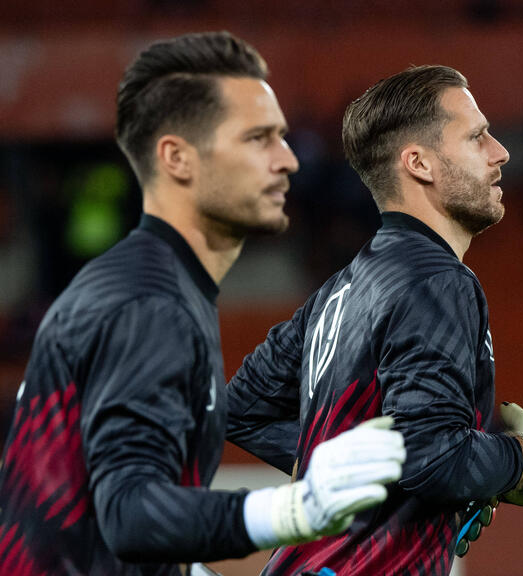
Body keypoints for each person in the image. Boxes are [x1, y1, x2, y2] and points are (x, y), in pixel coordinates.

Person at [0, 32, 406, 576]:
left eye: (282, 137)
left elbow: (89, 528)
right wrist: (296, 508)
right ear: (177, 159)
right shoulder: (149, 305)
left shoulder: (146, 286)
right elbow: (128, 515)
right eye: (258, 138)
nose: (287, 159)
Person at [227, 65, 523, 576]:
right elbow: (433, 457)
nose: (500, 152)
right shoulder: (439, 282)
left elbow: (242, 410)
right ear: (420, 163)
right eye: (477, 136)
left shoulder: (339, 291)